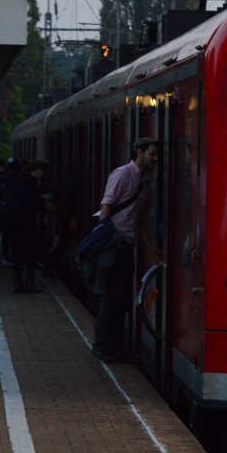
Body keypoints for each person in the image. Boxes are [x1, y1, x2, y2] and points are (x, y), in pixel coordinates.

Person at [93, 137, 162, 363]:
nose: (155, 159)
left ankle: (113, 345)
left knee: (122, 298)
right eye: (152, 154)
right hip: (114, 244)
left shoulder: (146, 181)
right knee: (112, 298)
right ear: (139, 153)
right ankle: (102, 346)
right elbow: (107, 206)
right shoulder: (122, 174)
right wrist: (104, 241)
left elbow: (140, 218)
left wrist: (149, 247)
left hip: (127, 245)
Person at [5, 159, 49, 293]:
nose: (44, 174)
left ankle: (18, 283)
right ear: (36, 169)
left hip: (17, 223)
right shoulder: (30, 182)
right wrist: (43, 201)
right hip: (27, 224)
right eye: (43, 171)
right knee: (32, 253)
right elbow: (31, 200)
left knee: (19, 253)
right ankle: (29, 282)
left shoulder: (20, 180)